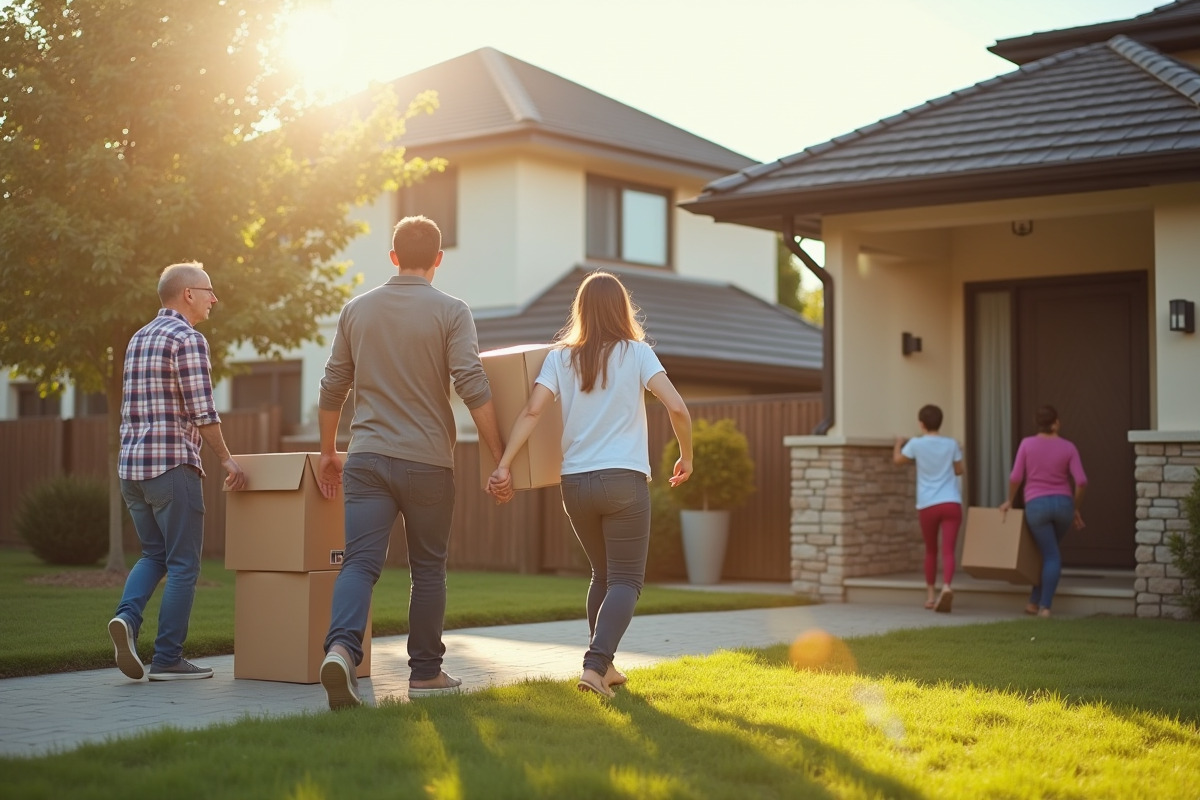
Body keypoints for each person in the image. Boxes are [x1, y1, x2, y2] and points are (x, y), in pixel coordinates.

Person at [315, 215, 508, 710]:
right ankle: (425, 674)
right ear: (439, 259)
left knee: (359, 563)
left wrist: (329, 451)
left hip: (367, 458)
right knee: (427, 569)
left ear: (393, 256)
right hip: (427, 463)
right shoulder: (452, 311)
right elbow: (471, 382)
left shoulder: (356, 310)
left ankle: (341, 649)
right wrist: (499, 454)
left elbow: (333, 383)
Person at [487, 270, 692, 699]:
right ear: (622, 309)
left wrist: (504, 464)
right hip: (623, 482)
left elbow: (531, 413)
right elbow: (677, 407)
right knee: (626, 581)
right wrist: (686, 456)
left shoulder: (561, 358)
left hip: (575, 485)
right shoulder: (637, 354)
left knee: (603, 573)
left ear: (580, 311)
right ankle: (595, 668)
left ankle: (607, 664)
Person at [108, 262, 247, 682]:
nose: (214, 298)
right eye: (209, 290)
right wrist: (226, 458)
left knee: (155, 554)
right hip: (171, 467)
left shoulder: (139, 337)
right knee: (184, 564)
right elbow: (202, 410)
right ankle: (168, 659)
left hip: (132, 470)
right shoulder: (188, 338)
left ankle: (127, 620)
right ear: (188, 294)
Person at [999, 405, 1087, 618]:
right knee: (1049, 554)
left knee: (1048, 554)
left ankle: (1044, 607)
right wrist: (1075, 508)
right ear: (1056, 423)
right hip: (1064, 505)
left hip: (1037, 506)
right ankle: (1034, 602)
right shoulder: (1068, 447)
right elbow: (1082, 481)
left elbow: (1015, 477)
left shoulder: (1027, 444)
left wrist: (1009, 500)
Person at [893, 404, 964, 613]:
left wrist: (898, 444)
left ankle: (931, 597)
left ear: (921, 424)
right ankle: (948, 587)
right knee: (948, 549)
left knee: (931, 550)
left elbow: (898, 461)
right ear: (940, 422)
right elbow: (959, 471)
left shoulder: (916, 444)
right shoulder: (951, 444)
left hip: (928, 504)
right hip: (951, 502)